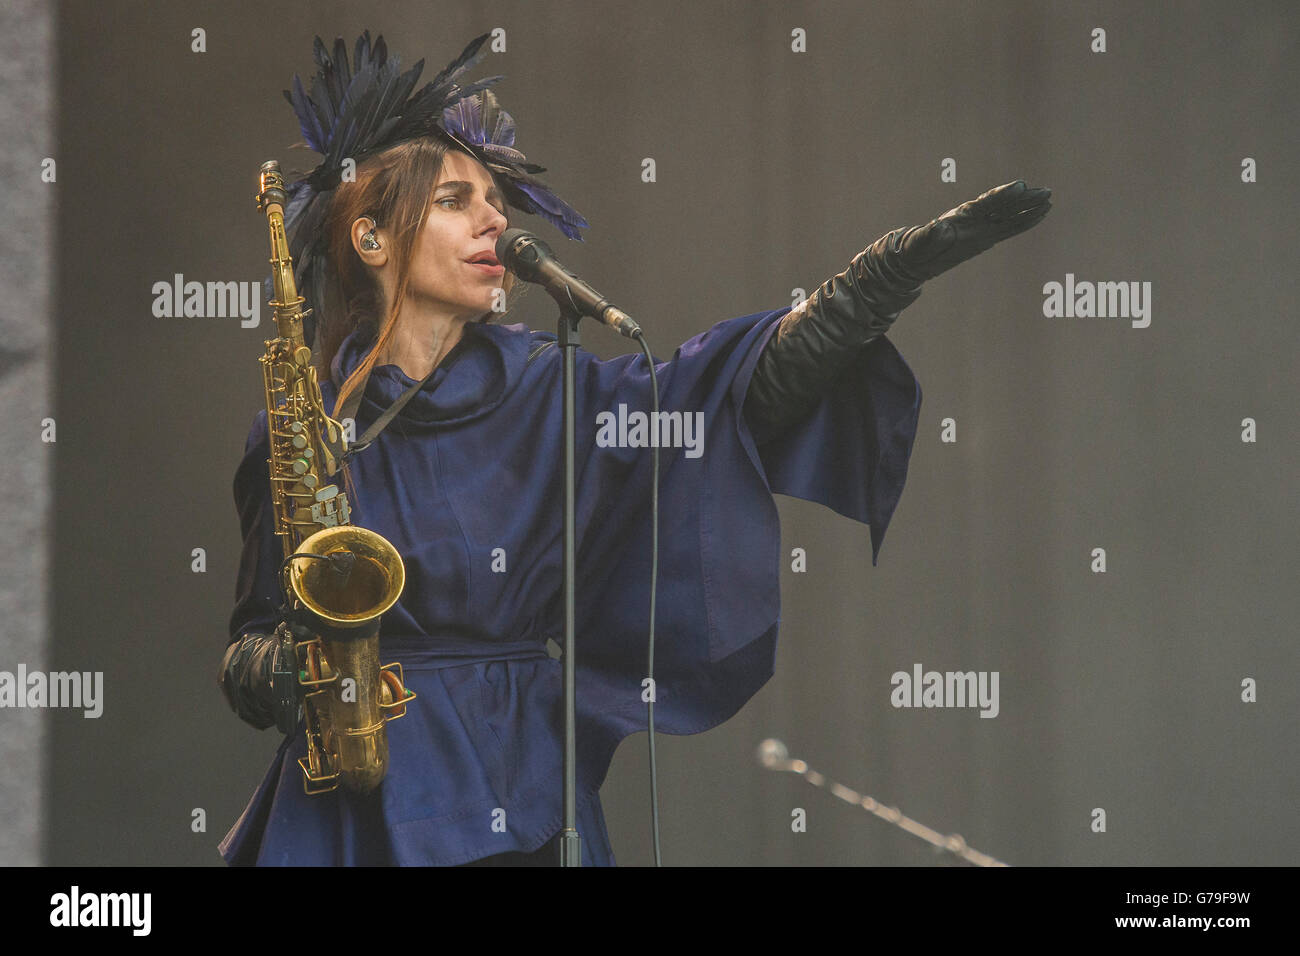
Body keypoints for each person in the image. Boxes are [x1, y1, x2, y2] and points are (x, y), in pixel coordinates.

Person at [217, 31, 1052, 866]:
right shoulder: (296, 430)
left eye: (494, 199)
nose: (493, 219)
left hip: (515, 782)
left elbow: (717, 397)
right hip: (350, 807)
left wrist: (873, 287)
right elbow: (250, 642)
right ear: (370, 240)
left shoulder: (553, 390)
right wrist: (281, 672)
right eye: (454, 201)